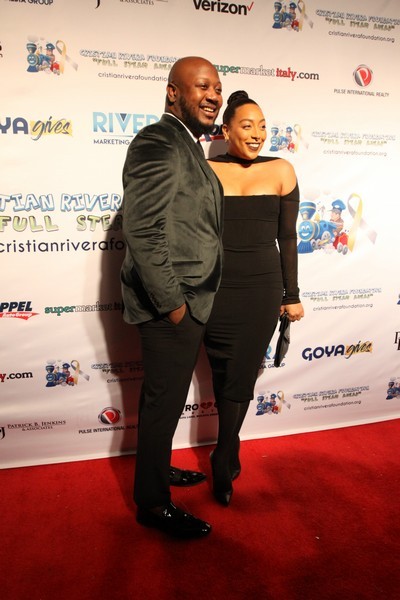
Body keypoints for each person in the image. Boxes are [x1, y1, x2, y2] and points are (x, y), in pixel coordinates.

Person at [120, 57, 223, 538]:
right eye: (202, 86)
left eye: (217, 87)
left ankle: (157, 471)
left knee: (166, 401)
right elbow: (143, 230)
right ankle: (153, 504)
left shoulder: (187, 145)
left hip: (188, 300)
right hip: (171, 305)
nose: (213, 95)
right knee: (163, 404)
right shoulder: (158, 141)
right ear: (173, 92)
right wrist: (174, 306)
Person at [204, 90, 304, 506]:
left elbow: (288, 238)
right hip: (214, 287)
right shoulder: (206, 169)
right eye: (247, 126)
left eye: (263, 126)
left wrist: (291, 294)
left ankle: (222, 454)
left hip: (262, 289)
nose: (257, 133)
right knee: (222, 371)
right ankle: (230, 445)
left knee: (241, 375)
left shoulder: (282, 170)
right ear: (225, 131)